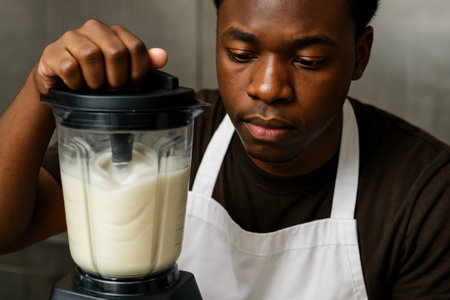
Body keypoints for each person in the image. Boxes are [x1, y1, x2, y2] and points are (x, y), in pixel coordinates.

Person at [0, 0, 449, 299]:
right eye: (240, 53)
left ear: (360, 55)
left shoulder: (426, 194)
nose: (268, 88)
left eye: (308, 61)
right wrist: (40, 88)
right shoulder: (167, 135)